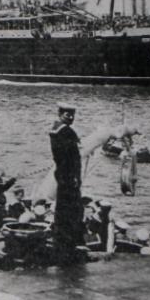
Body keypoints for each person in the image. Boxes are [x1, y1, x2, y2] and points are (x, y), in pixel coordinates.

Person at [49, 103, 84, 264]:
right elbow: (72, 158)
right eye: (67, 114)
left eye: (72, 115)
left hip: (62, 175)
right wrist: (75, 177)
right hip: (69, 177)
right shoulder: (67, 132)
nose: (70, 117)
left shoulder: (55, 129)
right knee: (72, 211)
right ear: (60, 113)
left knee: (62, 209)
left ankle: (62, 243)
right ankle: (68, 247)